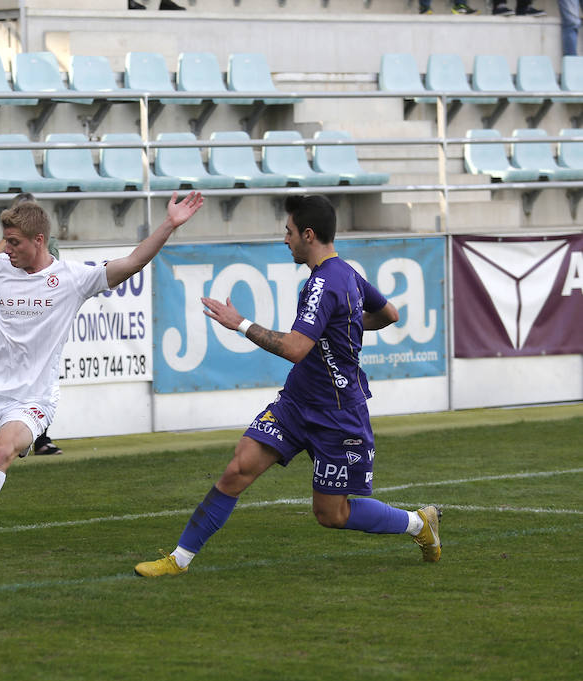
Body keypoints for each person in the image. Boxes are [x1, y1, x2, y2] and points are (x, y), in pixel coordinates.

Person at [134, 194, 442, 578]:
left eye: (289, 231)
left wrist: (241, 324)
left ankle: (418, 524)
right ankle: (178, 560)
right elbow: (389, 314)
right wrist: (344, 326)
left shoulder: (322, 284)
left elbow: (297, 348)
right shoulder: (347, 273)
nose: (285, 239)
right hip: (297, 403)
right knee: (237, 469)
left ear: (308, 235)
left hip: (337, 413)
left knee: (332, 514)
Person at [0, 191, 203, 562]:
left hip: (32, 397)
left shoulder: (73, 278)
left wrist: (169, 224)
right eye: (6, 242)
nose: (7, 249)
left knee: (2, 449)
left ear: (39, 240)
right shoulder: (1, 268)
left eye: (14, 242)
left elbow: (134, 261)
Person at [0, 193, 63, 456]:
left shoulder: (47, 244)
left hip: (38, 325)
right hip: (12, 322)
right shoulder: (6, 250)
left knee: (38, 382)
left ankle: (38, 437)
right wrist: (10, 237)